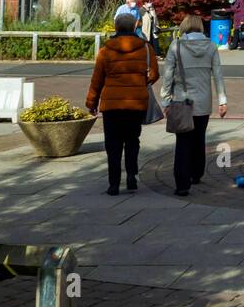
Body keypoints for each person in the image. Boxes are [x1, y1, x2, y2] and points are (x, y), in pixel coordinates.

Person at [86, 12, 158, 195]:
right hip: (136, 103)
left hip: (111, 105)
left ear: (116, 28)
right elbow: (154, 75)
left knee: (113, 144)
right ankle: (132, 175)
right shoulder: (146, 49)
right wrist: (142, 82)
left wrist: (91, 102)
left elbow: (97, 80)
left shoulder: (105, 51)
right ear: (135, 27)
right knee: (132, 140)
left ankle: (113, 183)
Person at [159, 14, 228, 197]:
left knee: (183, 142)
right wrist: (222, 100)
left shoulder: (176, 46)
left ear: (184, 27)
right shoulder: (211, 46)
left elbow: (167, 76)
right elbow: (218, 75)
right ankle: (196, 173)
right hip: (203, 101)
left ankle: (182, 184)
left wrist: (165, 100)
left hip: (182, 100)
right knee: (199, 138)